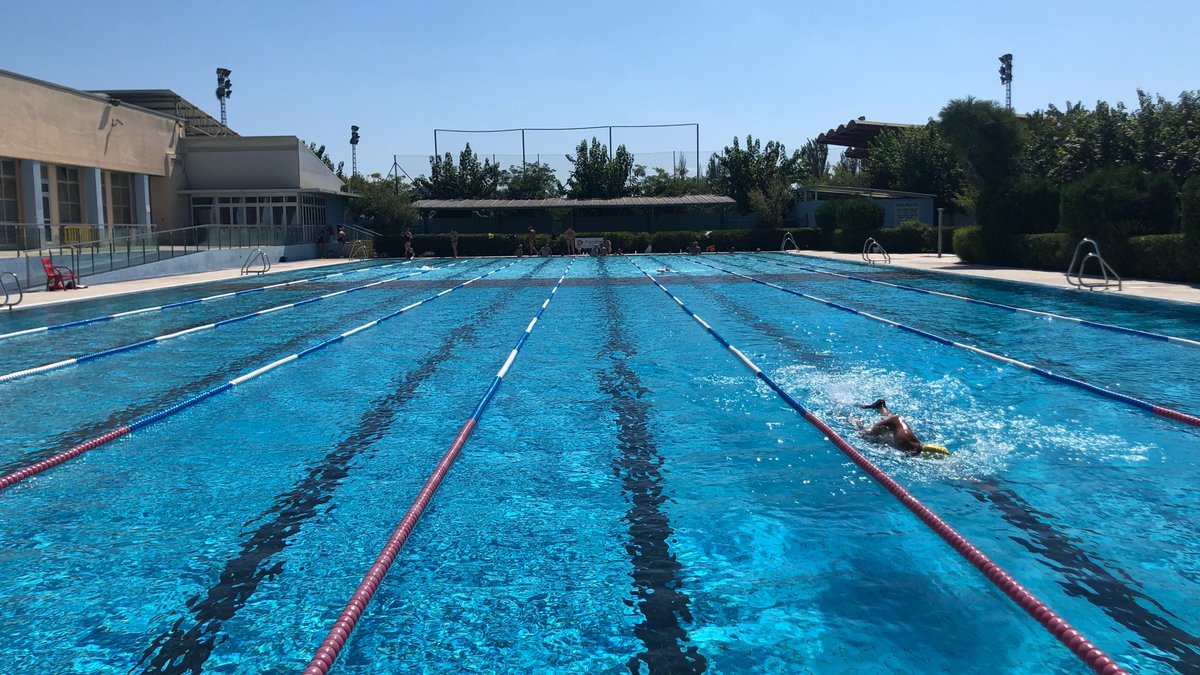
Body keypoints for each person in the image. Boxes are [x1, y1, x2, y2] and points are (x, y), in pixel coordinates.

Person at [857, 399, 948, 457]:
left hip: (898, 425)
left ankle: (881, 406)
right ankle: (853, 420)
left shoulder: (913, 448)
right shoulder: (905, 444)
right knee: (865, 434)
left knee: (883, 433)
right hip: (895, 421)